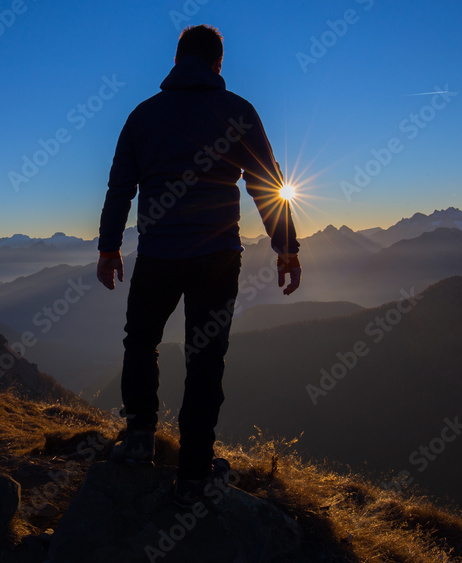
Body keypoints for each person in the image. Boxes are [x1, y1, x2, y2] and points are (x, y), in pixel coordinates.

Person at [96, 24, 301, 506]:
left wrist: (109, 249)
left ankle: (140, 439)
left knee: (141, 341)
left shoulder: (142, 115)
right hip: (216, 258)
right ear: (218, 64)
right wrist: (286, 248)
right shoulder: (238, 111)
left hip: (158, 255)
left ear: (175, 60)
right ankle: (192, 476)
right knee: (204, 359)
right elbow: (266, 183)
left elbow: (120, 189)